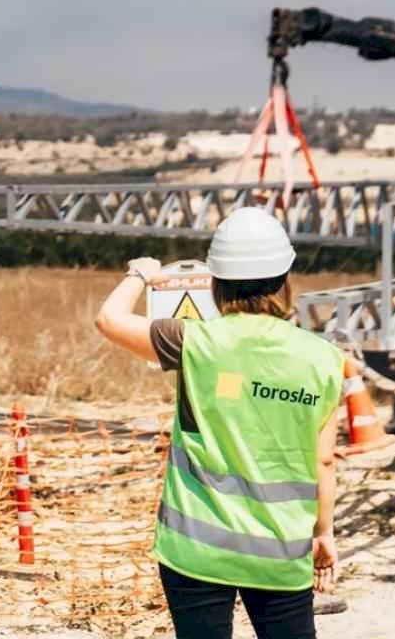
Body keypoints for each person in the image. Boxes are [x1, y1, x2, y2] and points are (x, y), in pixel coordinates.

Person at [94, 206, 341, 639]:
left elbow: (108, 320)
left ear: (216, 283)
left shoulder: (192, 341)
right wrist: (324, 534)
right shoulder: (324, 359)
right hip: (280, 549)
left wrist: (140, 273)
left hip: (195, 549)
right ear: (286, 280)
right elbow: (324, 463)